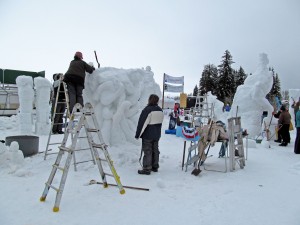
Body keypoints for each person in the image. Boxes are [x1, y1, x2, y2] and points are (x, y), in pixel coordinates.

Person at [135, 94, 164, 175]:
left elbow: (142, 124)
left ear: (150, 100)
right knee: (155, 150)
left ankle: (147, 168)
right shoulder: (160, 110)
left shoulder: (147, 110)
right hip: (157, 135)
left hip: (148, 135)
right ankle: (155, 167)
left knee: (148, 151)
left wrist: (138, 135)